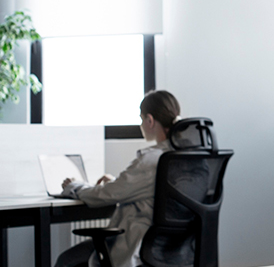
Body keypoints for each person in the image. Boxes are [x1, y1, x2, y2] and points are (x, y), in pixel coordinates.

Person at [54, 90, 181, 267]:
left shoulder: (151, 160)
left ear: (149, 120)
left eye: (141, 118)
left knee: (66, 261)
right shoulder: (188, 159)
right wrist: (116, 183)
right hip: (176, 249)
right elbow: (146, 190)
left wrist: (75, 187)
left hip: (141, 247)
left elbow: (106, 195)